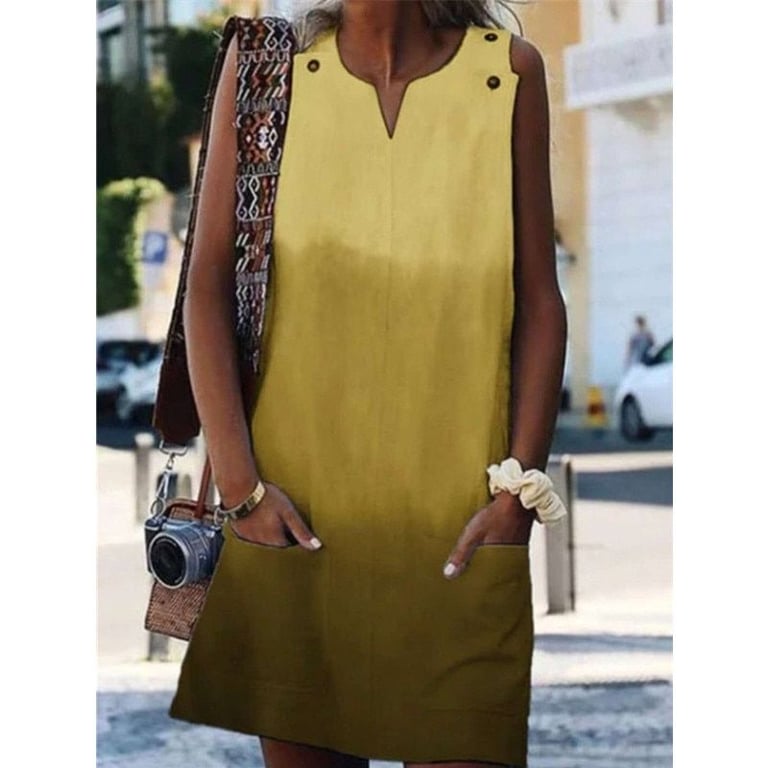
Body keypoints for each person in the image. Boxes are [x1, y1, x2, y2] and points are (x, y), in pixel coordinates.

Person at [168, 2, 568, 767]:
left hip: (461, 534)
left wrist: (519, 492)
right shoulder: (264, 73)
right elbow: (207, 289)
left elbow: (540, 301)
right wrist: (243, 492)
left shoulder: (509, 74)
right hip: (293, 525)